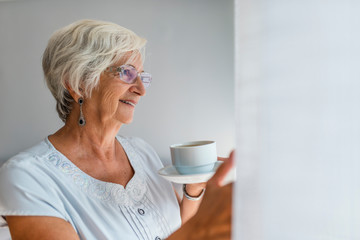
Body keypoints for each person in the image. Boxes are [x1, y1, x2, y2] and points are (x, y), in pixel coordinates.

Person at [0, 19, 234, 240]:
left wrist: (195, 189)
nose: (141, 89)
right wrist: (207, 221)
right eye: (127, 73)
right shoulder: (26, 176)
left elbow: (175, 228)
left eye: (142, 77)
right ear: (77, 83)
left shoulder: (142, 152)